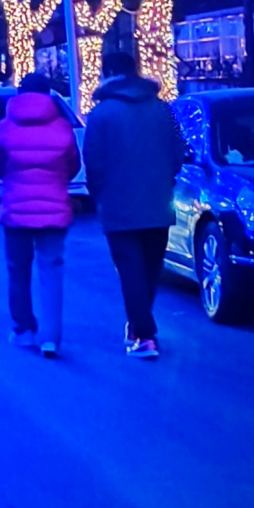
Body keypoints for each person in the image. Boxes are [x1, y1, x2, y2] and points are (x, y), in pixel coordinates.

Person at [82, 48, 186, 359]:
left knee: (129, 270)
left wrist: (98, 195)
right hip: (158, 202)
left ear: (107, 72)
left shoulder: (101, 114)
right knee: (150, 270)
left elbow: (94, 162)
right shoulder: (161, 109)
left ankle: (144, 334)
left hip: (118, 205)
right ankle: (140, 325)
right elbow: (178, 153)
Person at [0, 72, 81, 358]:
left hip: (16, 209)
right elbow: (73, 165)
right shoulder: (63, 127)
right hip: (54, 207)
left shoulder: (5, 127)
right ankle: (51, 338)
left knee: (18, 269)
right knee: (51, 270)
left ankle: (24, 329)